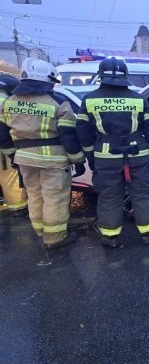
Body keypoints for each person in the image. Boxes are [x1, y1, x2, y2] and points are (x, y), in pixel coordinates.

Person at [76, 57, 149, 248]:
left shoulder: (90, 99)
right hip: (137, 154)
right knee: (143, 193)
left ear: (101, 75)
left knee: (109, 195)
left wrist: (90, 155)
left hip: (106, 156)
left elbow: (83, 131)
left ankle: (110, 237)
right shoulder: (138, 99)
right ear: (125, 75)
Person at [0, 58, 86, 249]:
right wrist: (78, 159)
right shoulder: (57, 102)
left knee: (34, 195)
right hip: (53, 160)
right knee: (54, 197)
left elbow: (2, 133)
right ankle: (55, 237)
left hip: (24, 159)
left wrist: (12, 155)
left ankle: (40, 230)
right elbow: (68, 135)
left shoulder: (9, 102)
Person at [0, 74, 28, 217]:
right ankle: (18, 207)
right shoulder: (5, 102)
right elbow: (3, 130)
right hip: (3, 147)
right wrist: (11, 152)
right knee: (10, 177)